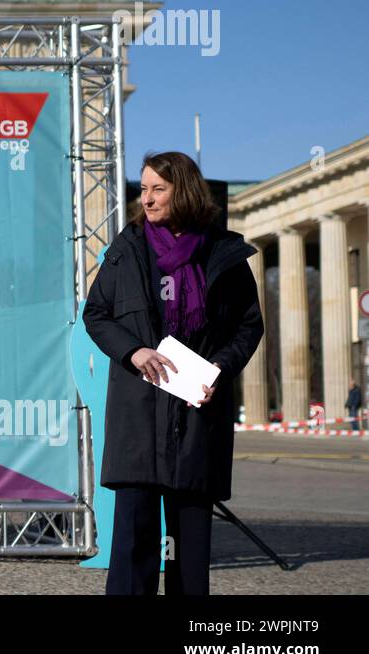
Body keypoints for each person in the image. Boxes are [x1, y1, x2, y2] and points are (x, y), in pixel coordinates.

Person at [83, 151, 264, 595]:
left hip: (197, 414)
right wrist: (134, 351)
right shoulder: (127, 249)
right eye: (143, 189)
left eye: (157, 189)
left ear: (181, 190)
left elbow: (248, 324)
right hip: (138, 415)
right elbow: (97, 313)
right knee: (132, 549)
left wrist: (220, 367)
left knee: (189, 550)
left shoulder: (222, 253)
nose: (146, 198)